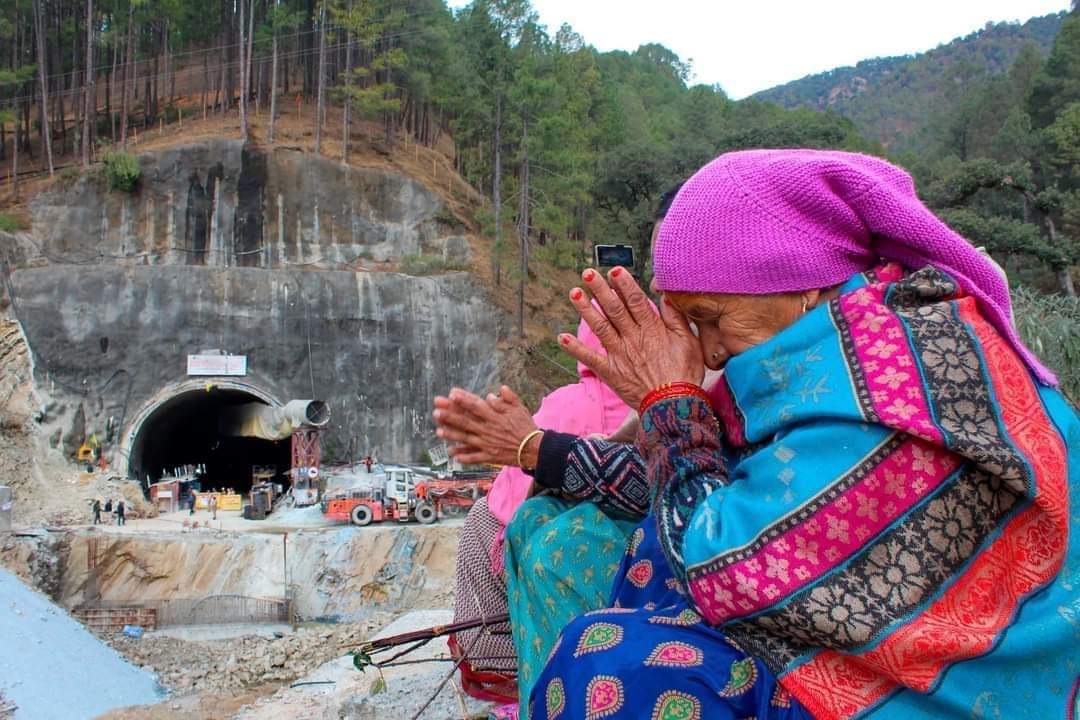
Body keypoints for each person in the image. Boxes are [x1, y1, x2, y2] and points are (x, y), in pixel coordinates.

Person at [437, 150, 1080, 720]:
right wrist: (537, 447)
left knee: (605, 664)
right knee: (560, 530)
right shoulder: (808, 361)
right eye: (689, 324)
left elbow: (720, 565)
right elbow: (691, 493)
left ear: (797, 284)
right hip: (831, 632)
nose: (709, 351)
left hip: (943, 688)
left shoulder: (886, 379)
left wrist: (668, 401)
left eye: (709, 318)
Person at [443, 318, 632, 708]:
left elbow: (507, 502)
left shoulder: (564, 404)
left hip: (572, 568)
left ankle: (498, 660)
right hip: (642, 562)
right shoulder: (666, 400)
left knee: (488, 519)